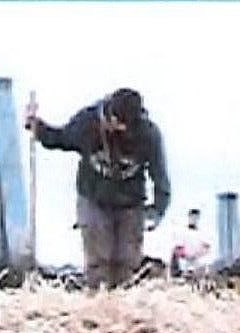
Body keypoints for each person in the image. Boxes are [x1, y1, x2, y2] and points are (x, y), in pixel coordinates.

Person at [25, 88, 170, 290]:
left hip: (131, 203)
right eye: (117, 123)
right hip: (93, 198)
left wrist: (157, 210)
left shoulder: (148, 134)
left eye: (125, 126)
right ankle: (98, 305)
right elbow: (60, 138)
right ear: (110, 115)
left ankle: (124, 309)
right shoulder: (88, 122)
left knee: (127, 261)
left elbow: (160, 175)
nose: (120, 129)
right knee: (99, 260)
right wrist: (38, 128)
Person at [170, 208, 211, 279]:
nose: (194, 219)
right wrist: (186, 255)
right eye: (192, 217)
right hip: (185, 260)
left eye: (196, 217)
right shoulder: (182, 231)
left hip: (197, 260)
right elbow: (178, 248)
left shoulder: (202, 233)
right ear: (189, 217)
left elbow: (207, 247)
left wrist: (199, 254)